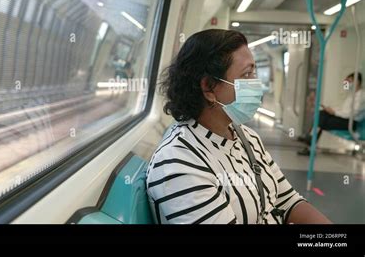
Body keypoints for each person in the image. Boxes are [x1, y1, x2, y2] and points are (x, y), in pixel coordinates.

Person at [146, 29, 331, 224]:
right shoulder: (180, 163)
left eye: (254, 72)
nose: (256, 83)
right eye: (246, 74)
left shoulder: (246, 137)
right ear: (209, 88)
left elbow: (287, 200)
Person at [297, 72, 365, 156]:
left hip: (350, 123)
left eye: (349, 81)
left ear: (357, 82)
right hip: (344, 119)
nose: (348, 84)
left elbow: (352, 113)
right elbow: (344, 109)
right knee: (322, 114)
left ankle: (310, 142)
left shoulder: (361, 96)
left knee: (321, 120)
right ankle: (310, 142)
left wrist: (334, 112)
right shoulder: (352, 95)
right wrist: (332, 110)